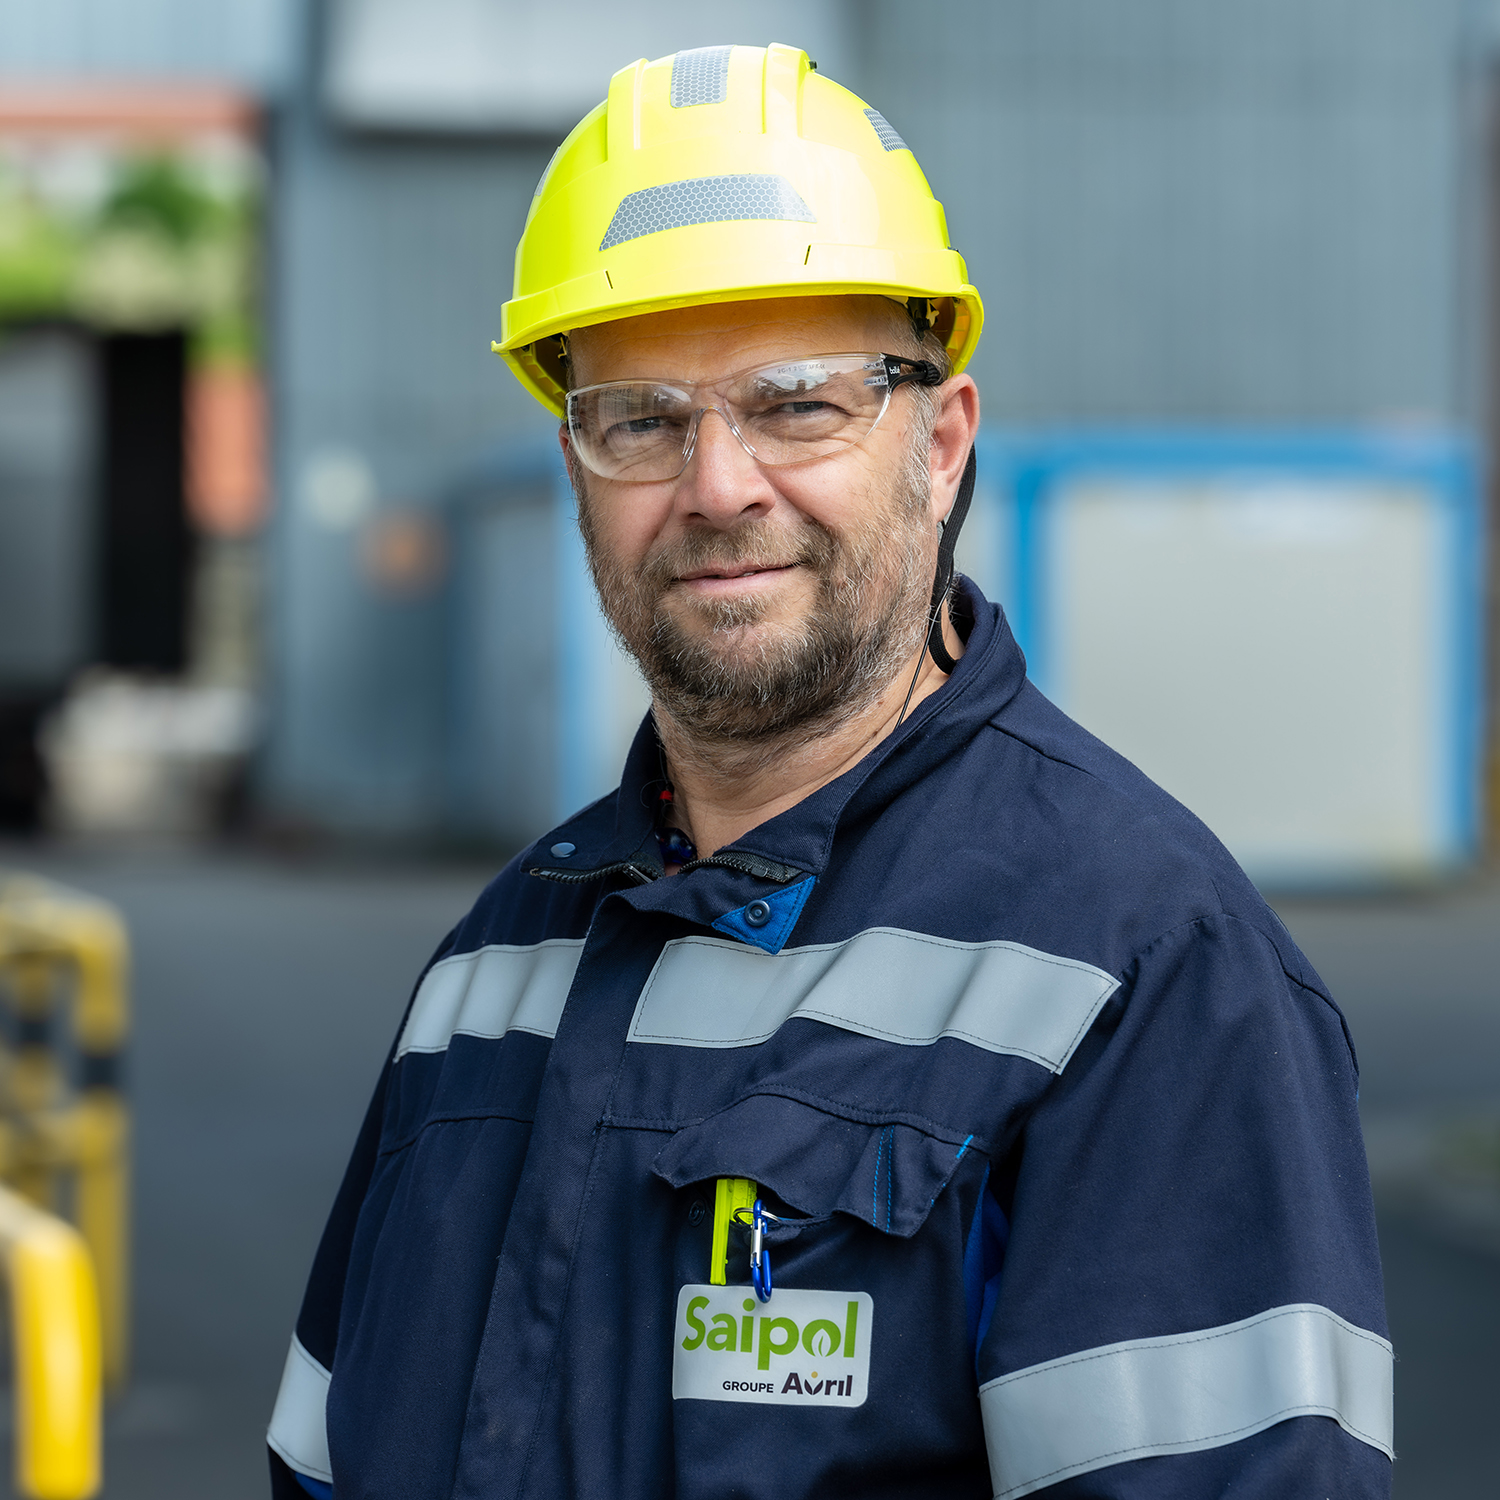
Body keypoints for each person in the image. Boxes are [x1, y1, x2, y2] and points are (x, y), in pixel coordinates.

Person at [268, 44, 1392, 1500]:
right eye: (641, 420)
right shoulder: (490, 972)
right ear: (576, 465)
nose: (718, 485)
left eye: (798, 402)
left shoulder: (1142, 973)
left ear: (941, 443)